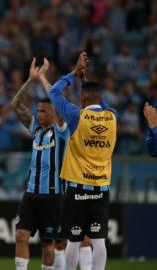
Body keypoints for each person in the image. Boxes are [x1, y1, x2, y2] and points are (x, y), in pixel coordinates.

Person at [47, 52, 117, 270]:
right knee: (98, 240)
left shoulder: (77, 115)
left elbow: (54, 91)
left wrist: (73, 74)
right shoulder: (112, 116)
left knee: (74, 240)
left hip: (77, 188)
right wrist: (87, 84)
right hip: (101, 188)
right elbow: (100, 102)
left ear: (83, 99)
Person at [12, 58, 69, 270]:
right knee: (20, 235)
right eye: (38, 110)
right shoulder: (35, 128)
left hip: (53, 196)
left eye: (44, 111)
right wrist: (30, 80)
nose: (38, 113)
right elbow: (16, 104)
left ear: (55, 114)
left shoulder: (62, 131)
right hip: (31, 194)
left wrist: (44, 78)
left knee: (49, 243)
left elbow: (60, 104)